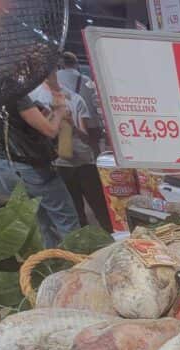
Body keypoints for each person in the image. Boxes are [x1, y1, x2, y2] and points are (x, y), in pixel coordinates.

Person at [0, 89, 80, 247]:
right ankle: (77, 262)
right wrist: (59, 112)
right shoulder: (15, 94)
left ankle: (52, 262)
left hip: (3, 165)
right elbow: (50, 130)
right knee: (65, 219)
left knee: (38, 222)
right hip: (30, 166)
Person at [32, 71, 113, 232]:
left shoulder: (75, 99)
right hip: (60, 163)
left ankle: (110, 237)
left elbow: (86, 137)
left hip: (84, 161)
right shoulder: (35, 99)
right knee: (75, 212)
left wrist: (72, 125)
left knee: (100, 207)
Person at [57, 51, 102, 155]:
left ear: (61, 64)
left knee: (65, 152)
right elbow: (95, 102)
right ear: (76, 64)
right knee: (93, 149)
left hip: (64, 120)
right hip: (88, 123)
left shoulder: (56, 78)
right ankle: (95, 168)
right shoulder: (86, 80)